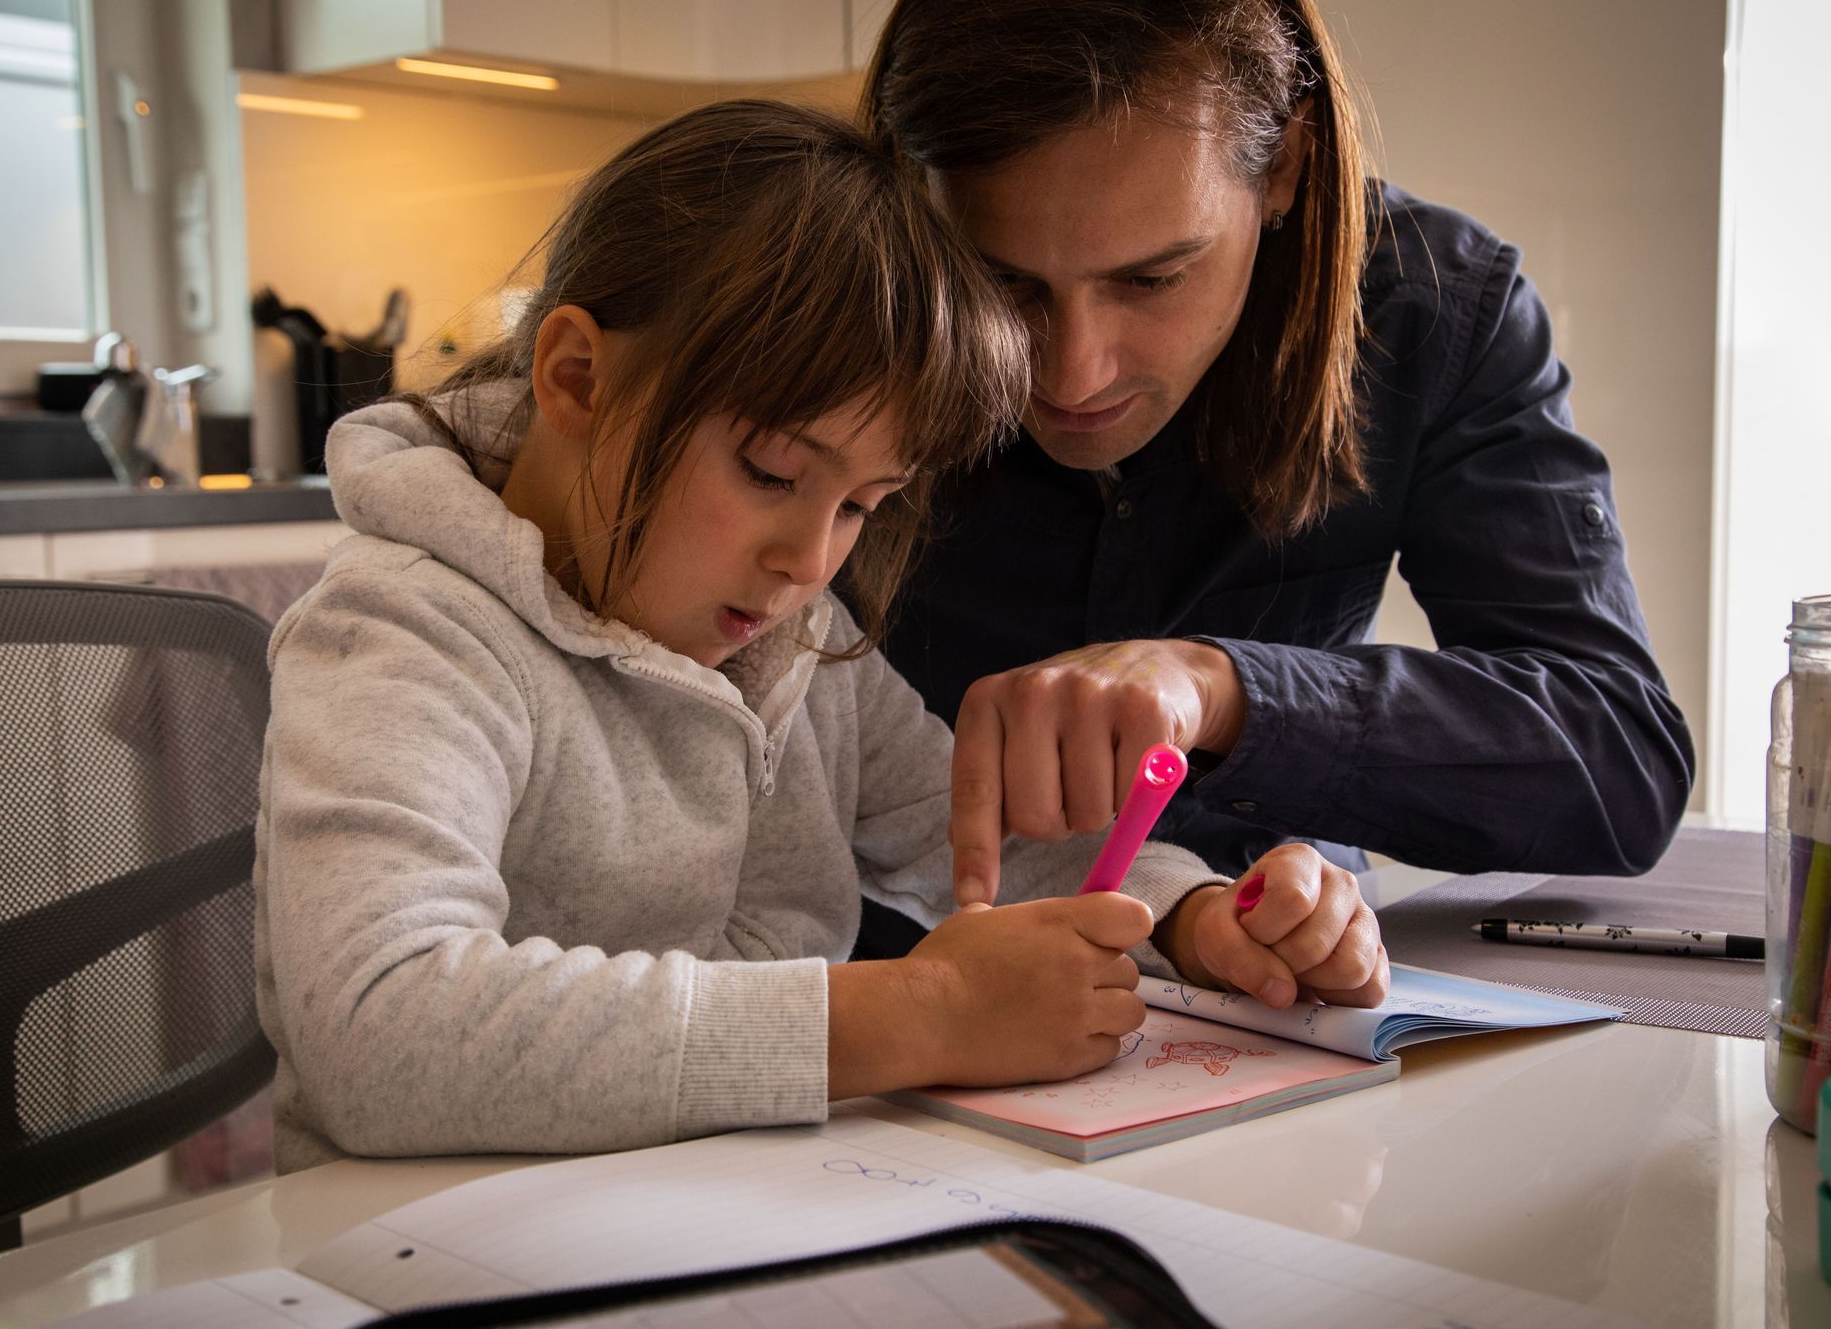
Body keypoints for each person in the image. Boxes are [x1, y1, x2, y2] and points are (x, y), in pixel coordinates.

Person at [253, 100, 1388, 1172]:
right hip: (433, 1243)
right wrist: (917, 1012)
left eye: (860, 506)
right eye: (771, 473)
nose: (809, 560)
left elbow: (987, 843)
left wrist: (1195, 917)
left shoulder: (792, 645)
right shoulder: (409, 635)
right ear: (576, 377)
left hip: (738, 1218)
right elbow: (375, 1028)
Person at [853, 0, 1696, 954]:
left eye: (1152, 277)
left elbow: (1614, 759)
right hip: (879, 1001)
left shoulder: (1430, 314)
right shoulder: (832, 308)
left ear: (1287, 163)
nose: (1072, 374)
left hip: (1277, 985)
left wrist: (1226, 693)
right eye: (1003, 283)